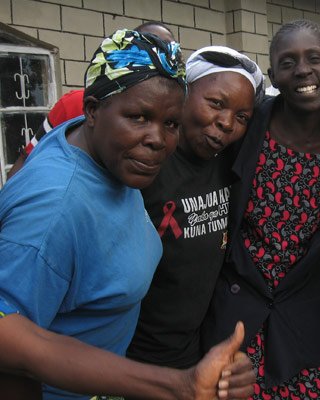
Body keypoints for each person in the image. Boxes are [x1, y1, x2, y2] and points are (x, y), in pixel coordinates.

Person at [0, 29, 253, 400]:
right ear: (91, 110)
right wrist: (177, 384)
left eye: (170, 124)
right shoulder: (55, 207)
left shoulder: (99, 152)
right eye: (138, 117)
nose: (157, 139)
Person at [201, 19, 320, 399]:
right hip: (235, 309)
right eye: (288, 61)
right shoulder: (248, 124)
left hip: (304, 314)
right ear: (274, 74)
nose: (303, 70)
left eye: (315, 58)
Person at [127, 45, 265, 369]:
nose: (227, 122)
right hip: (139, 352)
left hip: (195, 345)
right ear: (185, 94)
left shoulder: (228, 165)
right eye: (216, 103)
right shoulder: (149, 165)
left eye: (242, 117)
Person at [6, 21, 177, 180]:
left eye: (168, 52)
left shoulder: (174, 121)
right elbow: (27, 158)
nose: (159, 58)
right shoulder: (74, 104)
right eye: (148, 48)